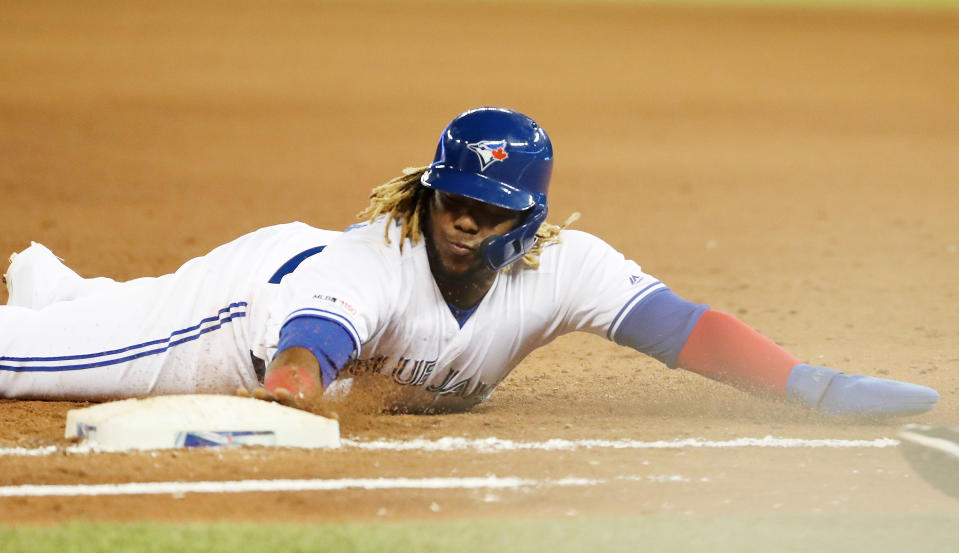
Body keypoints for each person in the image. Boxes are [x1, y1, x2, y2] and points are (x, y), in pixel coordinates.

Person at [0, 107, 940, 417]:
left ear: (528, 219)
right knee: (28, 366)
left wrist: (810, 385)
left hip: (284, 281)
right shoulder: (377, 261)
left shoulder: (566, 268)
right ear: (428, 191)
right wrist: (288, 395)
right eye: (451, 200)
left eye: (487, 212)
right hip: (238, 315)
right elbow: (311, 343)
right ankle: (56, 317)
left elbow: (680, 327)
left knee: (93, 314)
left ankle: (61, 291)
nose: (461, 222)